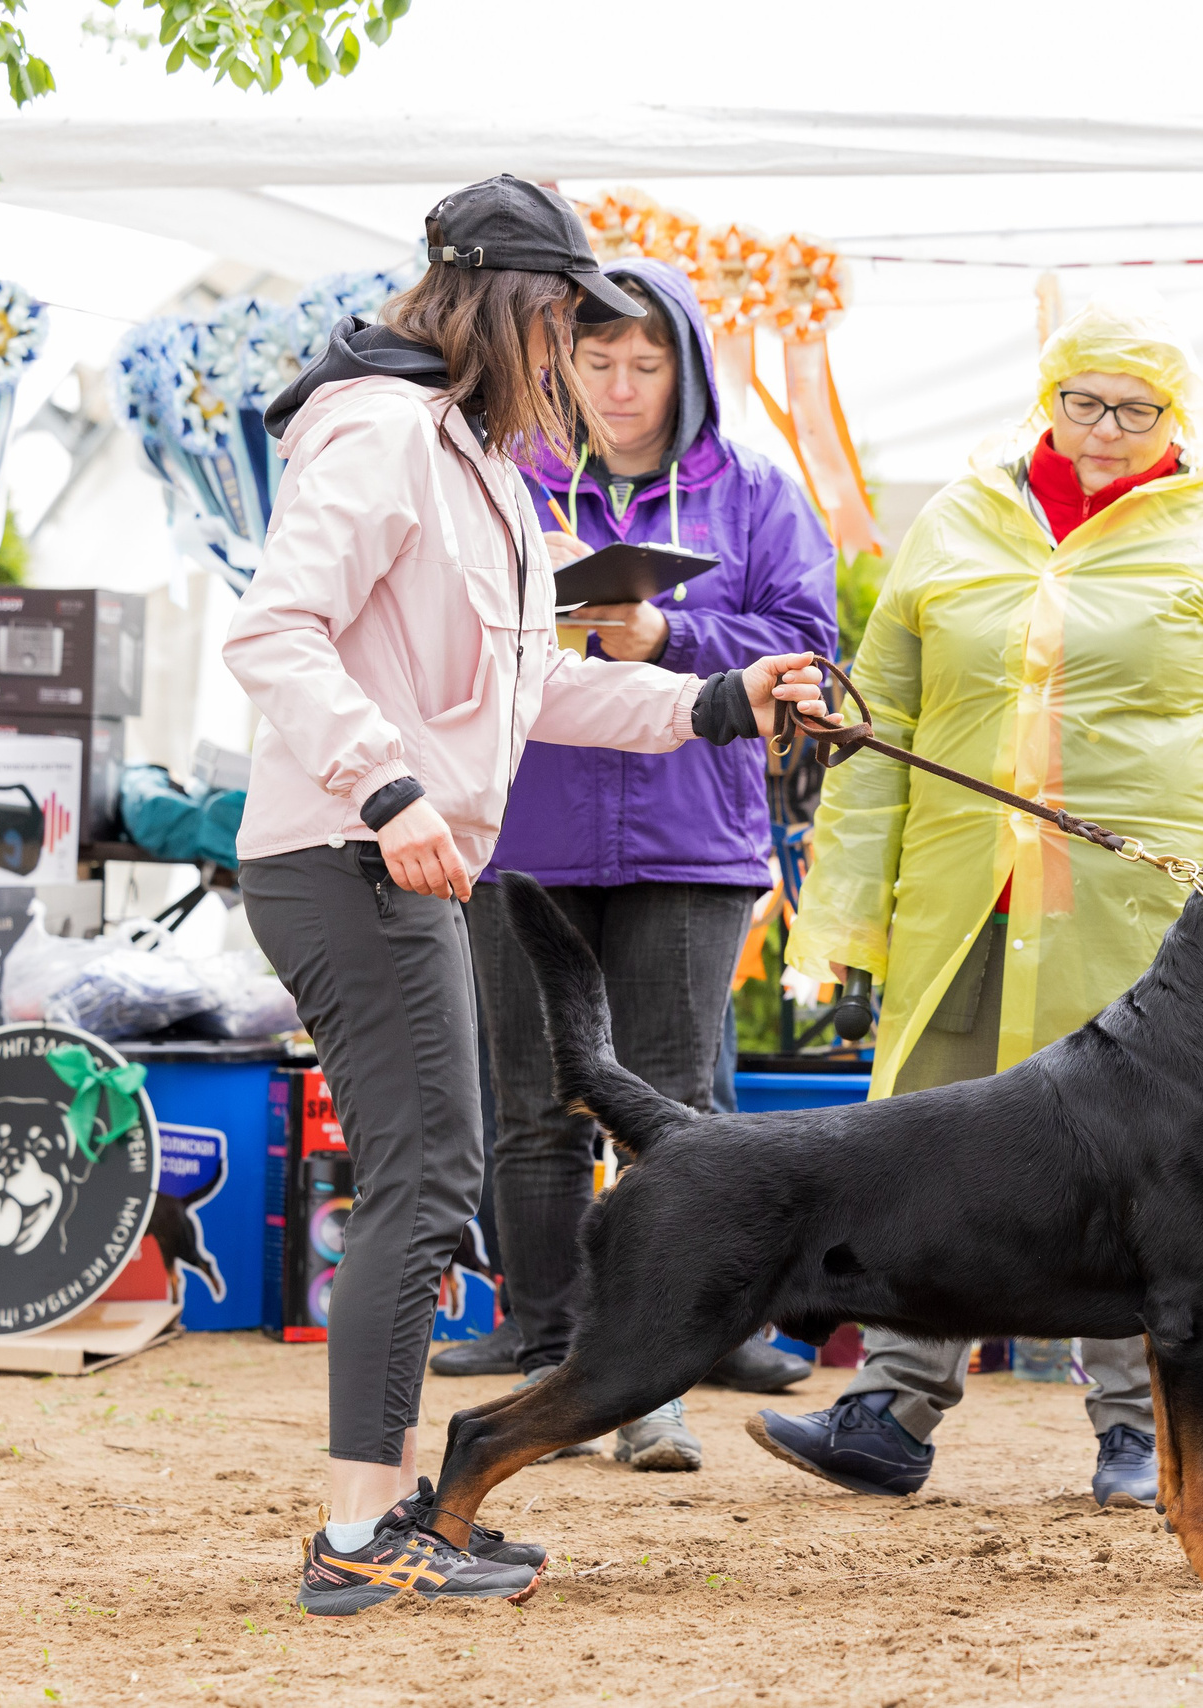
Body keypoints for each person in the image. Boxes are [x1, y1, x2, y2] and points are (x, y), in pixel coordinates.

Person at [225, 175, 824, 1616]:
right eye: (564, 323)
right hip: (350, 854)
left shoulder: (473, 456)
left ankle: (388, 1520)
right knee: (428, 1183)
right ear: (510, 306)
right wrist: (387, 787)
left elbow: (526, 681)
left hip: (396, 854)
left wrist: (714, 706)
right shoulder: (378, 435)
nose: (577, 360)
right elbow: (275, 632)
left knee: (428, 1179)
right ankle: (363, 1536)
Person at [753, 300, 1203, 1506]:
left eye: (1138, 410)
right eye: (1086, 403)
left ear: (1178, 420)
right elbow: (885, 726)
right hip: (962, 896)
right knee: (926, 1145)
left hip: (1156, 917)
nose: (1108, 428)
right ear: (1049, 401)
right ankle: (888, 1410)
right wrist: (850, 905)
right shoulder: (956, 520)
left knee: (1150, 1169)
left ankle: (1139, 1430)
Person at [432, 259, 838, 1466]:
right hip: (526, 829)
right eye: (598, 358)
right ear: (560, 361)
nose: (620, 385)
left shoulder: (756, 489)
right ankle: (551, 1340)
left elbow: (810, 645)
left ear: (689, 369)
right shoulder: (506, 480)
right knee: (533, 1104)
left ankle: (669, 1355)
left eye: (646, 363)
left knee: (681, 1108)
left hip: (690, 834)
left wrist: (674, 634)